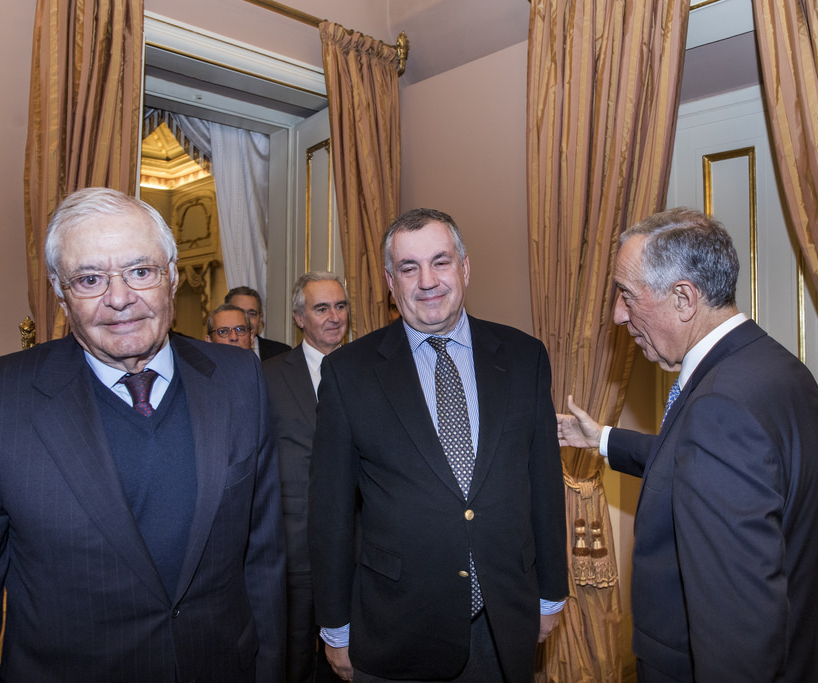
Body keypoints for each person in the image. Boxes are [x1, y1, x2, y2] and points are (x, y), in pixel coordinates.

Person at [0, 187, 286, 682]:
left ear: (172, 275)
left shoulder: (242, 378)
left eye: (141, 271)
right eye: (89, 278)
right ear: (59, 290)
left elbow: (263, 558)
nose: (119, 299)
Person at [557, 207, 818, 682]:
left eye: (626, 295)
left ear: (683, 298)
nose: (618, 315)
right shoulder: (774, 366)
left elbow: (737, 630)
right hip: (811, 650)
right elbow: (703, 465)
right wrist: (602, 439)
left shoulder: (719, 408)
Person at [309, 208, 567, 683]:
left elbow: (545, 484)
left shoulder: (524, 356)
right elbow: (330, 513)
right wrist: (335, 627)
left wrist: (551, 592)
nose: (427, 281)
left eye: (440, 262)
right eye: (409, 268)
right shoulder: (348, 374)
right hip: (396, 628)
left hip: (504, 618)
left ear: (464, 268)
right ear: (391, 280)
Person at [263, 271, 349, 683]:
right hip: (294, 551)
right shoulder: (266, 377)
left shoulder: (372, 370)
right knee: (293, 664)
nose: (334, 317)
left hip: (361, 553)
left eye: (340, 306)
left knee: (358, 663)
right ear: (299, 317)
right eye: (321, 308)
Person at [226, 285, 292, 361]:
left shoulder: (282, 353)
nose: (246, 320)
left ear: (260, 318)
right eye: (239, 313)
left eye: (252, 314)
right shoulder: (216, 352)